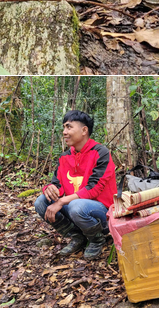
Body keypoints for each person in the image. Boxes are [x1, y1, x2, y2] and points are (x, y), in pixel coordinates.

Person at [34, 110, 116, 259]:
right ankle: (77, 237)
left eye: (69, 127)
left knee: (76, 206)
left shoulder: (101, 152)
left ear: (84, 130)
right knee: (41, 202)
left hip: (101, 212)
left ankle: (97, 239)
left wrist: (61, 202)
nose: (64, 132)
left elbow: (94, 188)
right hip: (76, 209)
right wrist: (50, 189)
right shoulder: (65, 157)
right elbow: (57, 185)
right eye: (64, 127)